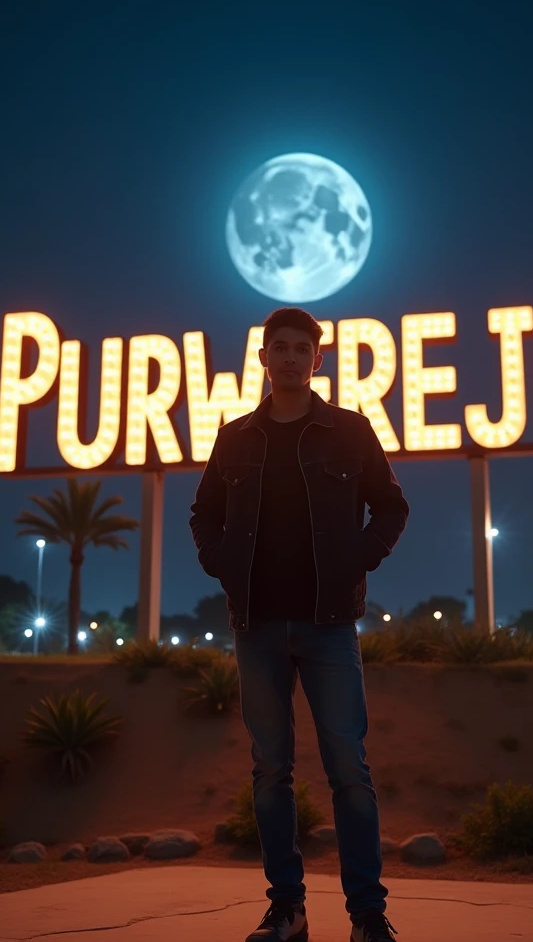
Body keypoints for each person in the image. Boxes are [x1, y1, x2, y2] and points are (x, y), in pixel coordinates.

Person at [189, 307, 409, 942]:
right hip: (255, 625)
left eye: (301, 348)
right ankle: (287, 908)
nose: (288, 357)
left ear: (318, 359)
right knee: (270, 771)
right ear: (262, 357)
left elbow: (392, 506)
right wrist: (221, 563)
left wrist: (354, 563)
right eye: (278, 347)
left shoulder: (349, 430)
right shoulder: (234, 438)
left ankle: (368, 915)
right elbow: (203, 513)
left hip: (329, 624)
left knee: (349, 768)